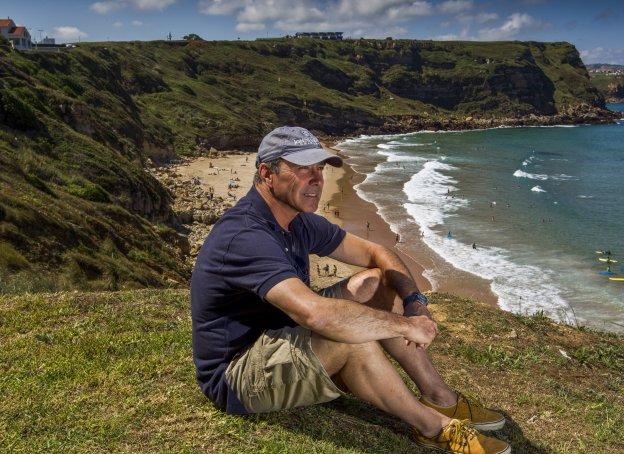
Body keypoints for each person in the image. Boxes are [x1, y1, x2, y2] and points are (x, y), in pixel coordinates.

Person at [191, 126, 509, 454]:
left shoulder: (297, 220)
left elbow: (377, 253)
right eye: (302, 169)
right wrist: (405, 326)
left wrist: (415, 301)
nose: (316, 179)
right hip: (238, 374)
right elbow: (313, 313)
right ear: (266, 173)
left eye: (319, 169)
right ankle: (434, 428)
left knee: (376, 282)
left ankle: (440, 398)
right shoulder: (245, 235)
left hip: (283, 332)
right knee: (351, 340)